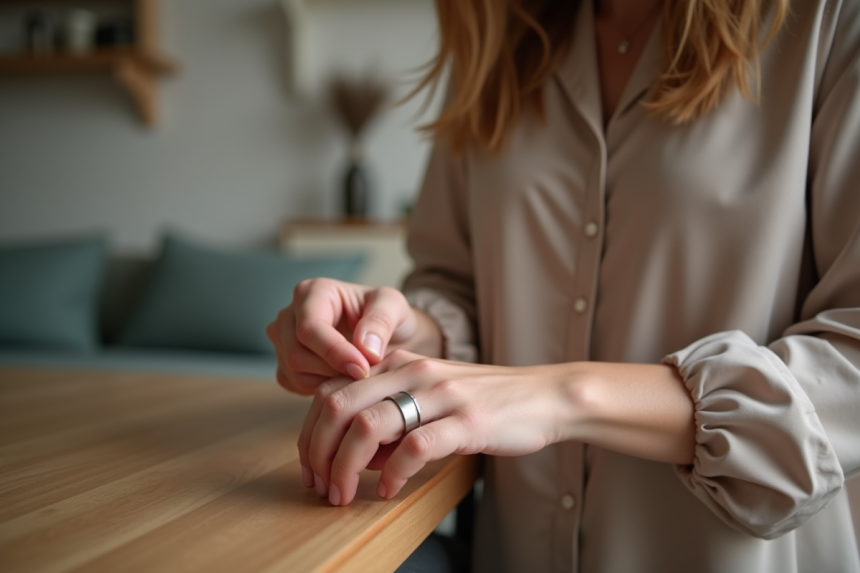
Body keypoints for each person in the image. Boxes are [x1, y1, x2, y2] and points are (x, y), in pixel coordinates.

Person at [267, 0, 860, 571]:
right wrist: (398, 332)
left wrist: (562, 396)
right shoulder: (495, 45)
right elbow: (457, 286)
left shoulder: (828, 22)